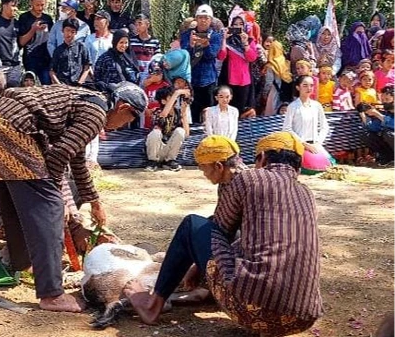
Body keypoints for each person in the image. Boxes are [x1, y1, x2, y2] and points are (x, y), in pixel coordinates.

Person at [0, 81, 147, 313]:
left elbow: (77, 160)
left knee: (14, 201)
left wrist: (95, 202)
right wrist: (54, 195)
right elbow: (59, 155)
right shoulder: (97, 112)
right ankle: (52, 295)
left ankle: (23, 262)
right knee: (50, 210)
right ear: (122, 107)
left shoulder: (89, 104)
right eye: (128, 120)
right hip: (15, 127)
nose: (123, 126)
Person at [128, 132, 322, 337]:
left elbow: (220, 230)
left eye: (203, 168)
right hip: (302, 318)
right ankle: (211, 290)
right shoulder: (306, 193)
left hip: (255, 310)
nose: (203, 173)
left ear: (262, 157)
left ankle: (152, 307)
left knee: (191, 224)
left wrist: (198, 260)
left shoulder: (248, 179)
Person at [180, 4, 222, 123]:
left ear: (211, 20)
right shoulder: (187, 35)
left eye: (206, 18)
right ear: (196, 19)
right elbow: (184, 56)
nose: (203, 20)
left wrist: (206, 45)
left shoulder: (215, 35)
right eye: (200, 17)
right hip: (191, 79)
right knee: (191, 113)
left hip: (208, 79)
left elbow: (212, 55)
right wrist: (191, 46)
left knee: (209, 113)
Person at [283, 75, 333, 173]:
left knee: (330, 164)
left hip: (315, 144)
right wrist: (304, 144)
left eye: (311, 85)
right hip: (298, 145)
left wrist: (318, 143)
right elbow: (287, 128)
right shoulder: (292, 106)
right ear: (298, 87)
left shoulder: (317, 105)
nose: (309, 88)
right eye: (305, 85)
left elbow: (324, 127)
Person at [218, 15, 258, 114]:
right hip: (229, 78)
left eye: (241, 24)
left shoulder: (250, 40)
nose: (238, 27)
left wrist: (245, 44)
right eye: (235, 24)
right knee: (227, 109)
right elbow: (221, 56)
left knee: (242, 111)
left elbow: (252, 58)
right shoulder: (228, 41)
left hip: (244, 80)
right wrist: (223, 39)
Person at [144, 86, 191, 171]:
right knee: (156, 133)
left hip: (168, 149)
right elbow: (164, 114)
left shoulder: (178, 113)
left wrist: (184, 114)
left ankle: (170, 161)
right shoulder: (157, 111)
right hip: (156, 149)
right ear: (163, 101)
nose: (175, 99)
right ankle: (152, 161)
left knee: (180, 131)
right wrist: (177, 93)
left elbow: (186, 134)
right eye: (171, 97)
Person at [18, 0, 54, 85]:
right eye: (37, 5)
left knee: (47, 86)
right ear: (31, 2)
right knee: (30, 88)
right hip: (30, 59)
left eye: (42, 5)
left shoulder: (48, 19)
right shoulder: (24, 18)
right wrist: (33, 29)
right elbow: (21, 42)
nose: (40, 8)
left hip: (46, 59)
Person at [50, 18, 91, 86]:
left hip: (79, 84)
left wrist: (80, 83)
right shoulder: (58, 50)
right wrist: (59, 85)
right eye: (67, 30)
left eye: (72, 32)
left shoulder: (81, 47)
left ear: (76, 33)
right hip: (62, 85)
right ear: (62, 31)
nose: (69, 34)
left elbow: (87, 66)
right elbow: (52, 71)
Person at [264, 40, 293, 115]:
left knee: (272, 115)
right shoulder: (287, 62)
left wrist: (265, 93)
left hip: (274, 92)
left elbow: (269, 82)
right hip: (286, 93)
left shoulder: (271, 65)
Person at [130, 14, 161, 82]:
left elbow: (157, 59)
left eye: (140, 24)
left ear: (147, 25)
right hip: (135, 76)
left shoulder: (155, 42)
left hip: (149, 76)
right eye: (136, 25)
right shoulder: (132, 41)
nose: (137, 27)